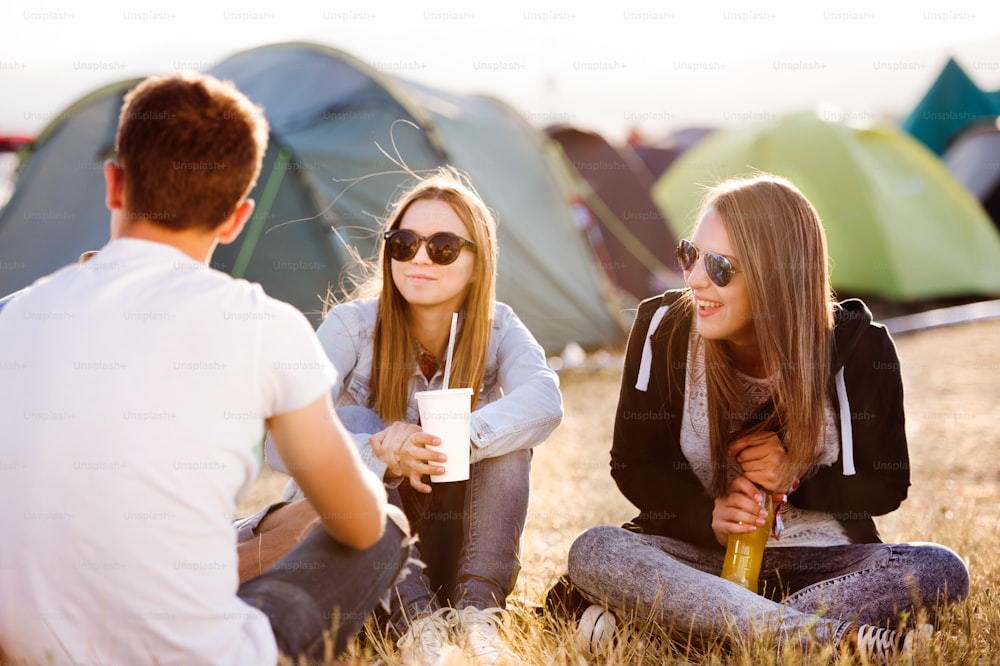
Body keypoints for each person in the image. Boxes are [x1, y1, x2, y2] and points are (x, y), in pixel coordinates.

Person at [0, 72, 409, 665]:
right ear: (237, 217)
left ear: (113, 183)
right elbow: (357, 525)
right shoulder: (262, 324)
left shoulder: (14, 317)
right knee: (384, 522)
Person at [561, 174, 969, 663]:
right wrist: (705, 516)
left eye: (718, 267)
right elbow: (634, 463)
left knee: (939, 569)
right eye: (691, 255)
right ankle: (827, 642)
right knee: (597, 549)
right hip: (700, 562)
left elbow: (886, 484)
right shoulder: (661, 330)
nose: (694, 280)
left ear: (777, 277)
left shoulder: (861, 347)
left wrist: (797, 477)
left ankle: (684, 636)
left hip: (825, 566)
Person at [239, 167, 563, 664]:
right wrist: (380, 453)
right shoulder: (350, 327)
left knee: (508, 443)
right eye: (404, 243)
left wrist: (450, 438)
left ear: (478, 263)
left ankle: (480, 616)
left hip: (455, 537)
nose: (419, 258)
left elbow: (544, 399)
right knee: (371, 432)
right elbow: (281, 444)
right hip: (366, 544)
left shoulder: (499, 327)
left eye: (444, 247)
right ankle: (417, 627)